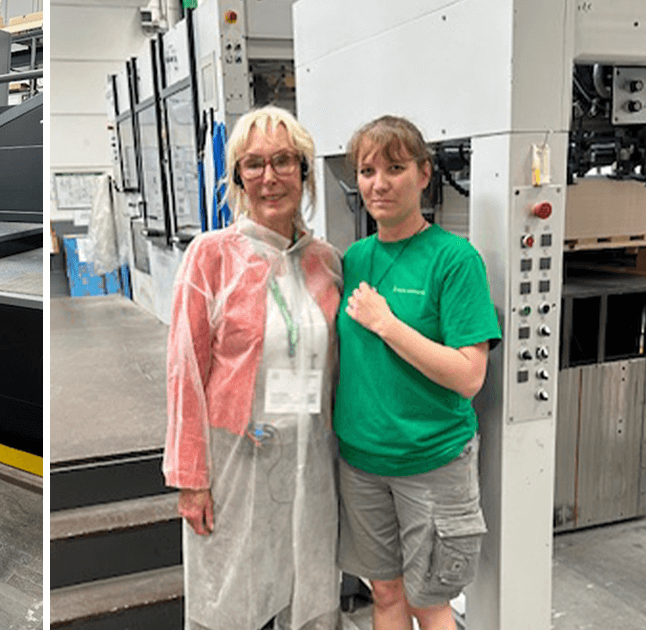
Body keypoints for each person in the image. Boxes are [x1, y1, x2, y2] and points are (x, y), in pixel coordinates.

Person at [163, 106, 343, 630]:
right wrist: (191, 479)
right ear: (238, 176)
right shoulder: (210, 257)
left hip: (312, 462)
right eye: (254, 163)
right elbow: (185, 373)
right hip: (234, 464)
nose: (270, 176)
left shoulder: (326, 261)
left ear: (305, 171)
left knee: (308, 591)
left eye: (284, 160)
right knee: (230, 602)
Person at [334, 115, 501, 630]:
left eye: (395, 168)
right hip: (362, 461)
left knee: (429, 602)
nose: (378, 183)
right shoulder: (354, 259)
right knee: (385, 594)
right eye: (366, 171)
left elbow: (469, 375)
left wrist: (387, 324)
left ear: (425, 174)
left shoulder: (454, 260)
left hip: (430, 462)